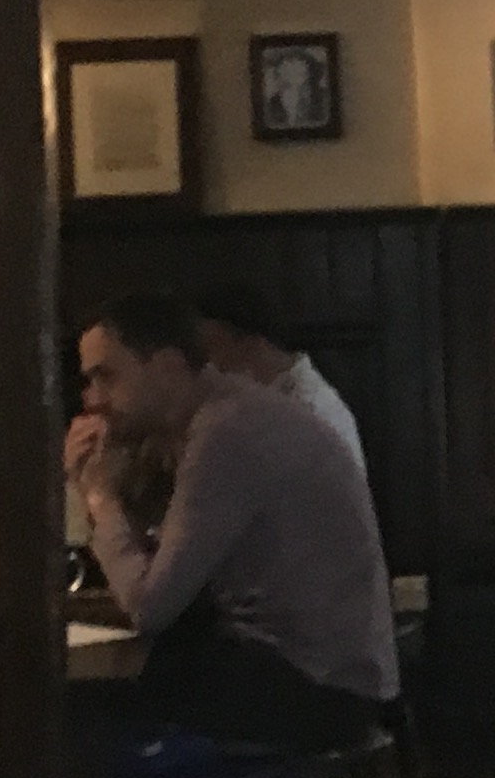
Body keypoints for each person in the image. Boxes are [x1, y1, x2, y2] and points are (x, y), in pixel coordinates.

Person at [67, 287, 397, 750]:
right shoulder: (226, 415)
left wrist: (100, 497)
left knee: (84, 726)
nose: (92, 400)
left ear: (167, 366)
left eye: (106, 377)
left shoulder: (226, 432)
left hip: (315, 689)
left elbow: (149, 605)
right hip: (332, 679)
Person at [191, 286, 372, 494]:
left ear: (252, 343)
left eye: (215, 346)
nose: (211, 362)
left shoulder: (314, 406)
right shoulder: (243, 391)